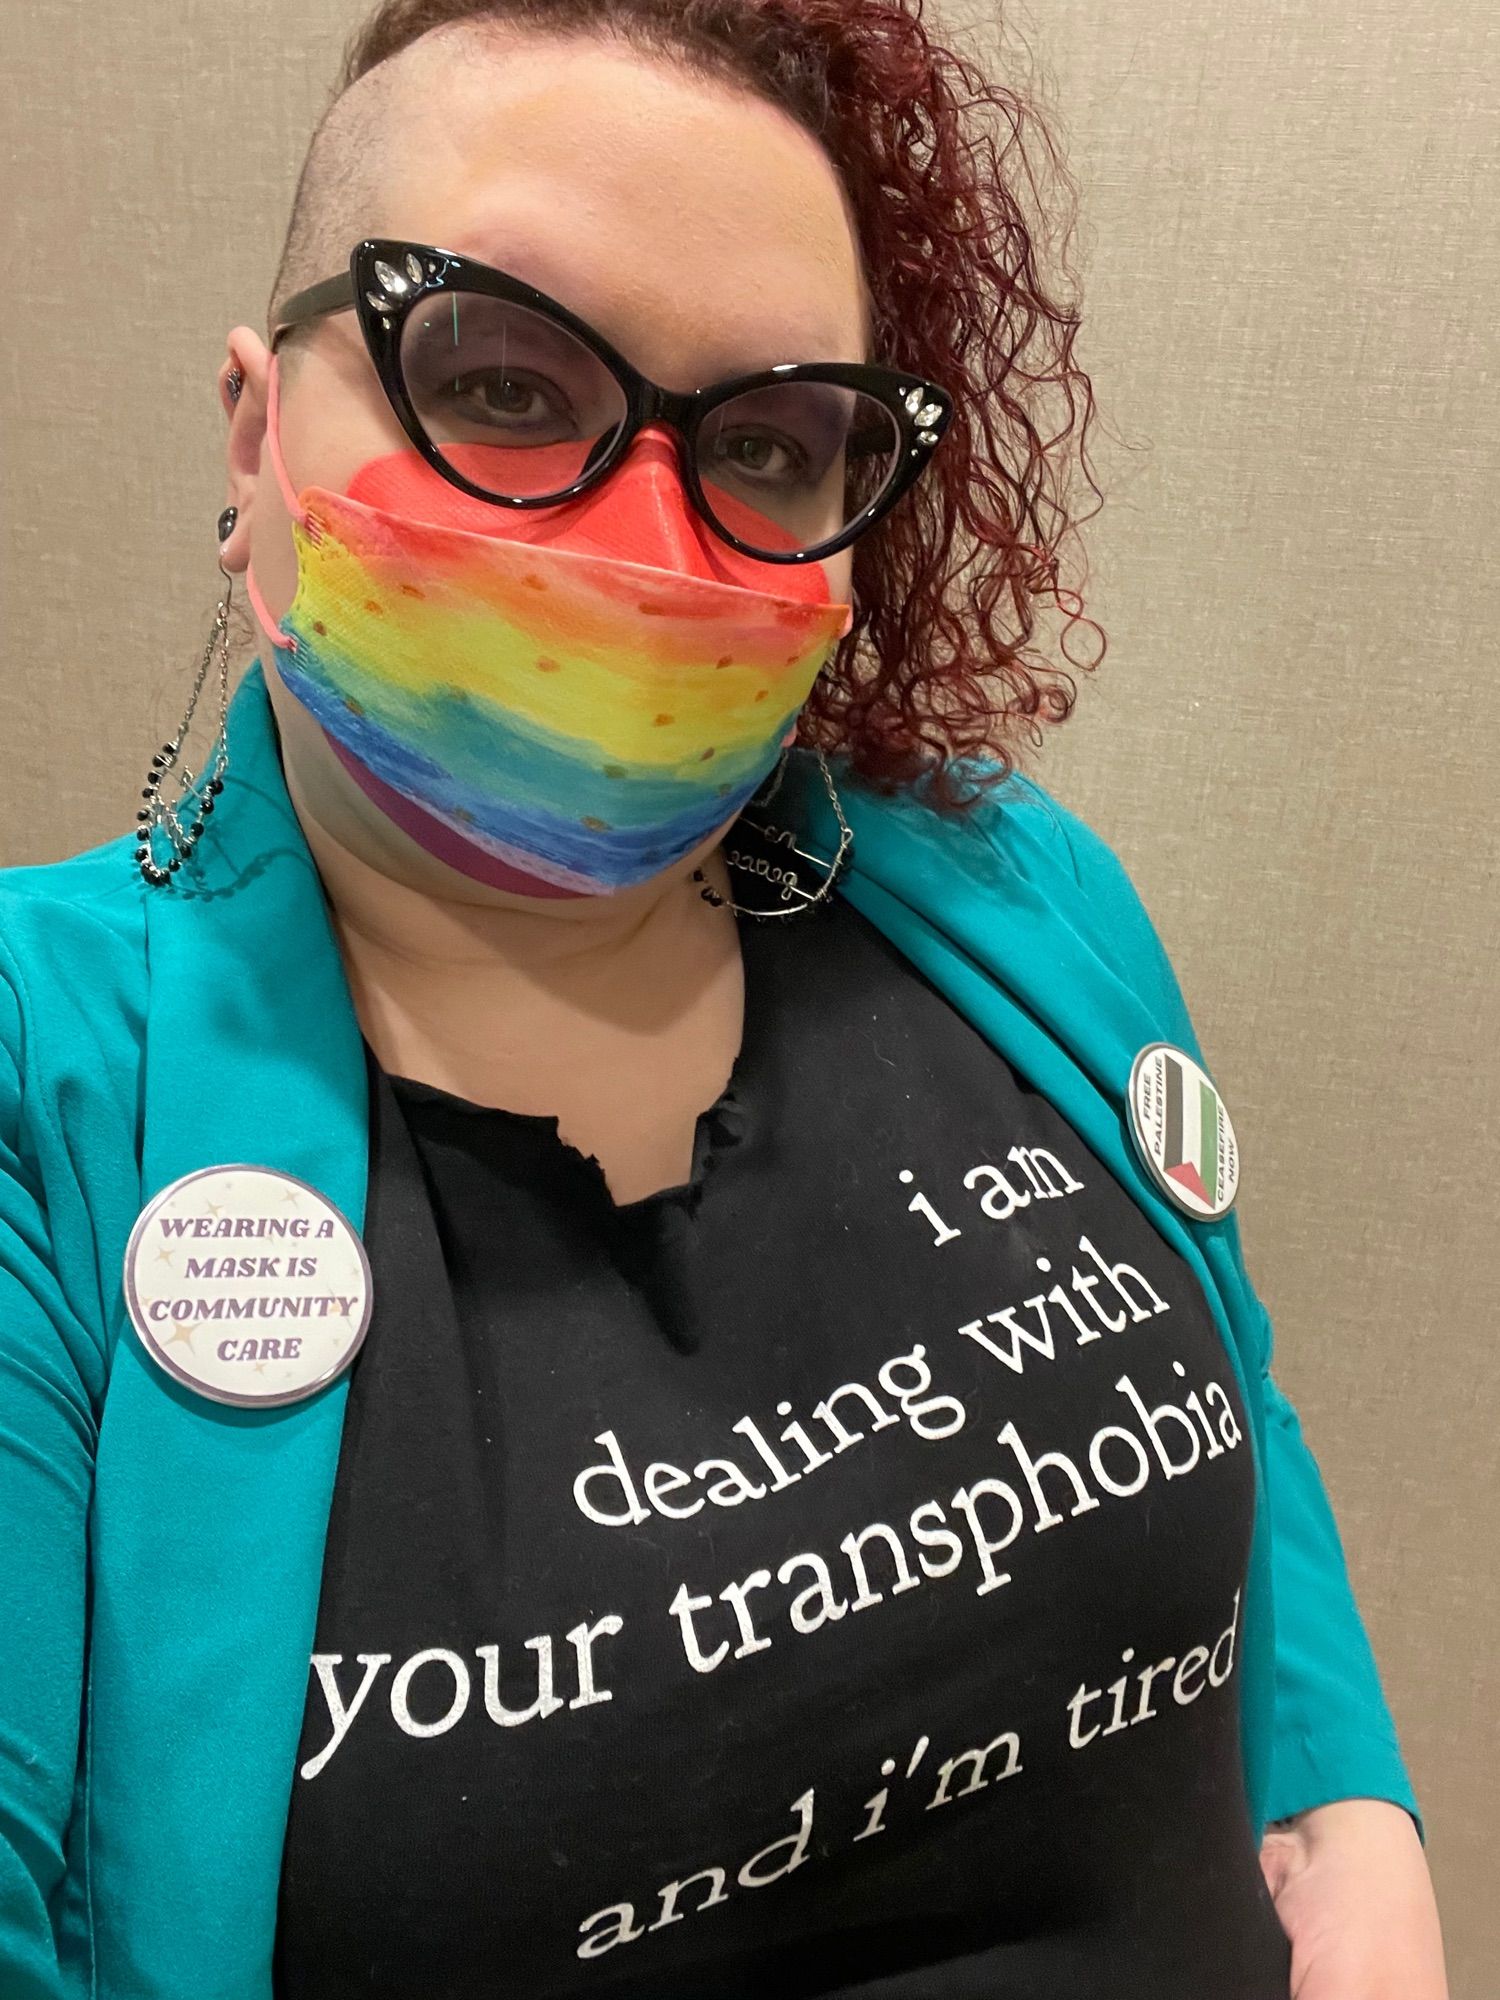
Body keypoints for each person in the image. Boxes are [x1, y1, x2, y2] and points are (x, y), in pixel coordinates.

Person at [0, 2, 1450, 1996]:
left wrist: (1354, 1816)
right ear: (261, 434)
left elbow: (1227, 1382)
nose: (649, 542)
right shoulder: (37, 1088)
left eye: (768, 443)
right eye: (504, 380)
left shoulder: (1013, 889)